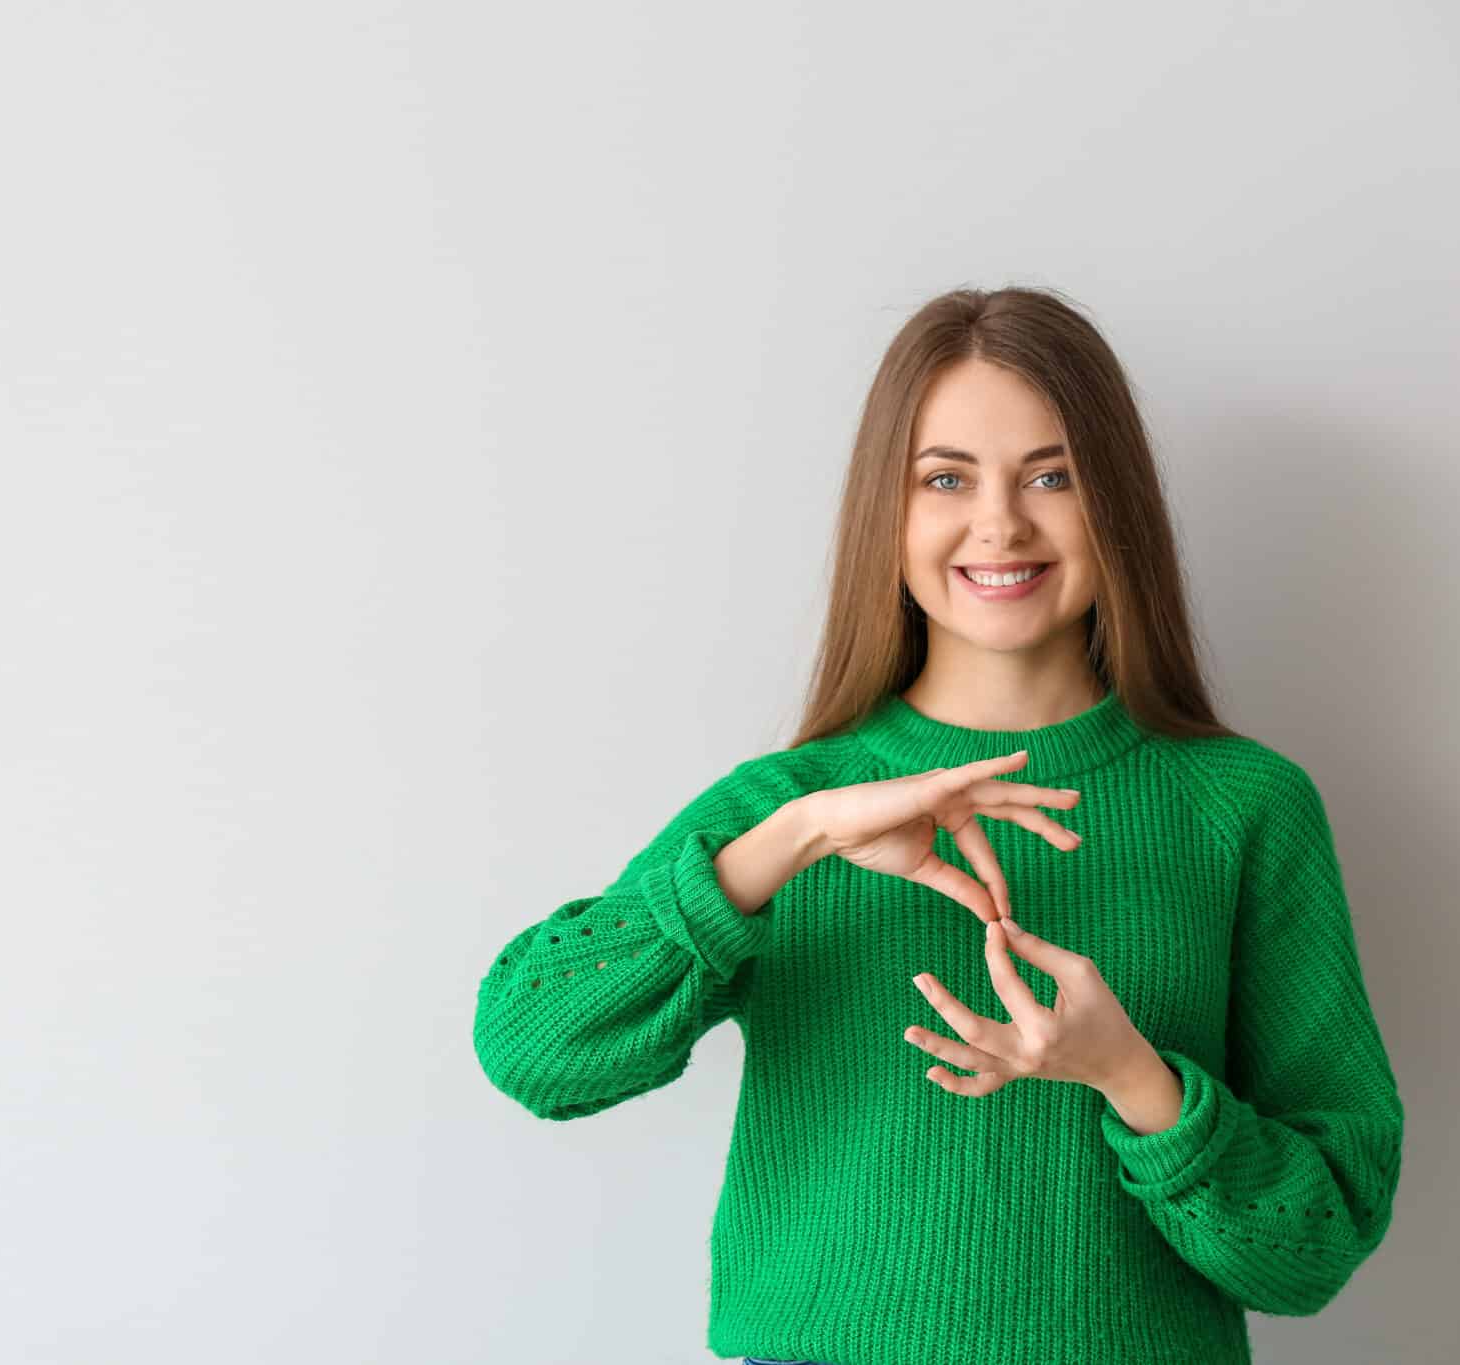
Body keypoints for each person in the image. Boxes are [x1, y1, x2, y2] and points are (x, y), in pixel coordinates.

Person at [470, 285, 1405, 1365]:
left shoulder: (1241, 806)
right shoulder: (780, 815)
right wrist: (796, 839)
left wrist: (1131, 1079)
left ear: (1118, 505)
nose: (999, 522)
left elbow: (1314, 1246)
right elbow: (534, 1054)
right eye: (944, 478)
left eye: (1051, 476)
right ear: (889, 513)